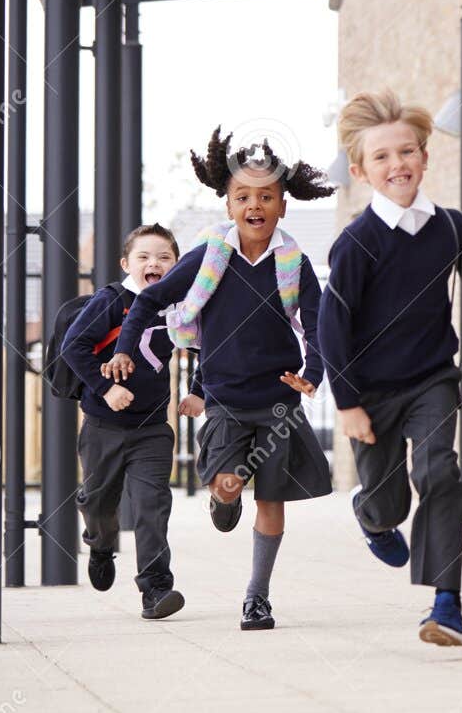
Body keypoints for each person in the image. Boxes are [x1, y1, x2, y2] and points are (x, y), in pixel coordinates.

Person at [321, 89, 462, 647]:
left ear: (424, 156)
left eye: (407, 152)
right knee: (387, 498)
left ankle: (447, 604)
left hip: (433, 380)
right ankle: (372, 515)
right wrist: (346, 404)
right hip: (368, 391)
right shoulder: (355, 243)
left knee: (441, 473)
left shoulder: (453, 228)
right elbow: (332, 327)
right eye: (383, 157)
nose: (399, 164)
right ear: (362, 170)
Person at [107, 129, 333, 632]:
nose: (255, 205)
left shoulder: (293, 263)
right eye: (243, 197)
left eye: (266, 196)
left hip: (277, 400)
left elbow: (317, 325)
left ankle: (257, 598)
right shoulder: (211, 255)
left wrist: (312, 372)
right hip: (225, 399)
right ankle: (222, 497)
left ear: (282, 206)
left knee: (270, 501)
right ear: (229, 204)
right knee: (230, 484)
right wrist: (124, 348)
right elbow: (149, 299)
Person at [65, 224, 198, 620]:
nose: (154, 263)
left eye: (164, 257)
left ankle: (155, 589)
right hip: (103, 425)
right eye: (144, 257)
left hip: (152, 429)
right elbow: (75, 346)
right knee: (99, 502)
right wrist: (106, 389)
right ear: (127, 263)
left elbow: (210, 344)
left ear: (176, 265)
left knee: (151, 507)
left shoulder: (183, 305)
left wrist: (200, 390)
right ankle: (100, 544)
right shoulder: (112, 301)